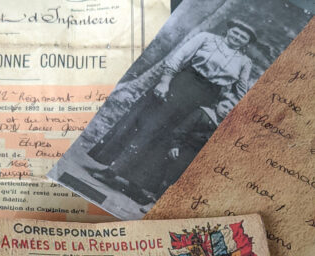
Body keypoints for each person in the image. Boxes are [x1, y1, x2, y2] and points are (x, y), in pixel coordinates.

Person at [88, 19, 256, 205]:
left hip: (204, 99)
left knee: (170, 138)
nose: (237, 37)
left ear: (247, 42)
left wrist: (225, 105)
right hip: (181, 85)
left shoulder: (244, 62)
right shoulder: (206, 38)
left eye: (243, 37)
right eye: (236, 32)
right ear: (229, 30)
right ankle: (112, 171)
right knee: (150, 127)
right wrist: (165, 82)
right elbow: (178, 57)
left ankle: (137, 184)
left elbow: (241, 92)